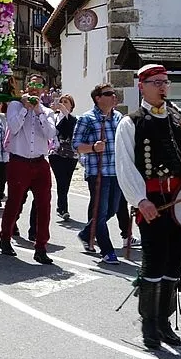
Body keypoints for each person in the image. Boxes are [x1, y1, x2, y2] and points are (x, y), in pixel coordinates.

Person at [115, 64, 181, 349]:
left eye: (165, 82)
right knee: (154, 260)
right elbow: (125, 166)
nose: (163, 87)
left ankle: (164, 321)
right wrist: (140, 200)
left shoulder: (180, 119)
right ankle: (149, 323)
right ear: (142, 87)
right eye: (156, 82)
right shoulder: (131, 123)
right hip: (153, 203)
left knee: (175, 261)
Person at [0, 74, 57, 264]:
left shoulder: (47, 112)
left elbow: (50, 133)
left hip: (40, 162)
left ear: (43, 90)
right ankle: (5, 238)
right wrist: (25, 108)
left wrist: (38, 111)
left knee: (44, 205)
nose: (34, 88)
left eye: (38, 85)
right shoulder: (15, 106)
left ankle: (41, 246)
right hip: (19, 161)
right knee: (14, 202)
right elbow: (14, 127)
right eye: (31, 84)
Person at [72, 83, 124, 265]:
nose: (113, 96)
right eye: (109, 94)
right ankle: (107, 251)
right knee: (100, 213)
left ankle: (86, 233)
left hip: (116, 172)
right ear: (98, 98)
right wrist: (93, 148)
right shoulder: (87, 119)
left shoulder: (118, 117)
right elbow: (76, 145)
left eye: (114, 93)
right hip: (98, 172)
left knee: (112, 210)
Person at [49, 93, 79, 221]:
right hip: (56, 154)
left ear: (71, 106)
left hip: (71, 155)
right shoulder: (54, 117)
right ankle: (63, 209)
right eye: (62, 101)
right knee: (61, 180)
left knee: (66, 182)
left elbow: (72, 126)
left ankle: (60, 207)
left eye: (66, 102)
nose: (63, 104)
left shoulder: (74, 119)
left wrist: (64, 110)